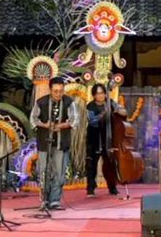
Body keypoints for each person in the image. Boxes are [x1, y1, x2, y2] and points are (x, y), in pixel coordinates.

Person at [30, 77, 79, 210]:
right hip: (44, 141)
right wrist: (45, 125)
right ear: (50, 90)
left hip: (61, 142)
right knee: (43, 171)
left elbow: (74, 120)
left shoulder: (69, 102)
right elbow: (33, 120)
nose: (58, 94)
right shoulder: (41, 102)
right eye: (55, 91)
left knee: (59, 172)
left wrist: (61, 125)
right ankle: (44, 200)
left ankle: (55, 200)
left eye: (61, 91)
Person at [85, 83, 127, 197]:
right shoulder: (90, 106)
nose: (100, 95)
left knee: (110, 164)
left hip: (108, 138)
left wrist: (118, 111)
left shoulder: (111, 102)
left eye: (102, 93)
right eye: (98, 93)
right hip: (94, 137)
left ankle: (112, 187)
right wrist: (105, 112)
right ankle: (90, 188)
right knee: (91, 163)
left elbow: (124, 112)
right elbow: (92, 120)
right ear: (94, 95)